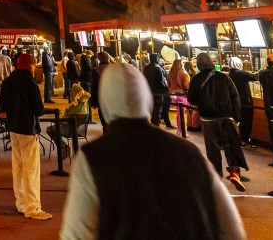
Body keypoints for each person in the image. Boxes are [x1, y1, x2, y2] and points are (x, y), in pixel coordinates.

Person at [59, 63, 247, 240]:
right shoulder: (190, 153)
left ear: (105, 100)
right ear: (146, 98)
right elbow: (231, 228)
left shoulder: (92, 158)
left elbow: (76, 234)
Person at [0, 53, 51, 220]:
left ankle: (21, 203)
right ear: (31, 65)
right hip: (27, 130)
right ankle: (33, 208)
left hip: (13, 128)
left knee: (18, 167)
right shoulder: (31, 84)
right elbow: (38, 109)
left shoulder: (7, 81)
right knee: (31, 169)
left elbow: (3, 105)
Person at [189, 53, 248, 191]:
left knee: (212, 149)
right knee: (231, 145)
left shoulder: (196, 79)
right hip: (226, 117)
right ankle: (234, 172)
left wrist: (202, 103)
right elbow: (235, 97)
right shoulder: (224, 77)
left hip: (208, 119)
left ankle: (216, 178)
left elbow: (191, 98)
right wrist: (237, 116)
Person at [227, 57, 258, 147]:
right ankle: (244, 140)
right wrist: (262, 71)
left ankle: (238, 139)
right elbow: (255, 77)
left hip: (235, 101)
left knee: (238, 120)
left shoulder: (230, 73)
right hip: (245, 102)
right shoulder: (240, 73)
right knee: (246, 121)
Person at [143, 53, 171, 128]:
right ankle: (156, 126)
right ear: (156, 58)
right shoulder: (158, 67)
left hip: (149, 92)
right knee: (158, 110)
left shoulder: (146, 67)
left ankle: (153, 124)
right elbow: (161, 81)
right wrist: (166, 89)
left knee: (152, 109)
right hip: (158, 92)